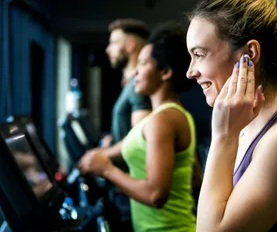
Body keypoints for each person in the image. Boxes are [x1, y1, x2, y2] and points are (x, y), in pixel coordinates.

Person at [186, 0, 277, 231]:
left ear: (250, 53)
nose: (190, 72)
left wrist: (223, 137)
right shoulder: (245, 126)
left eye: (200, 54)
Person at [78, 22, 197, 232]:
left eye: (143, 63)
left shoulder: (163, 119)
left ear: (165, 72)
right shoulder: (167, 115)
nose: (136, 72)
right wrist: (100, 154)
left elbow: (155, 194)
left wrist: (106, 169)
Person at [101, 18, 152, 148]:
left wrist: (104, 154)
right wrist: (113, 140)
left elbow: (139, 140)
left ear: (130, 45)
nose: (108, 49)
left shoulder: (138, 85)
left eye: (113, 43)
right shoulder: (130, 83)